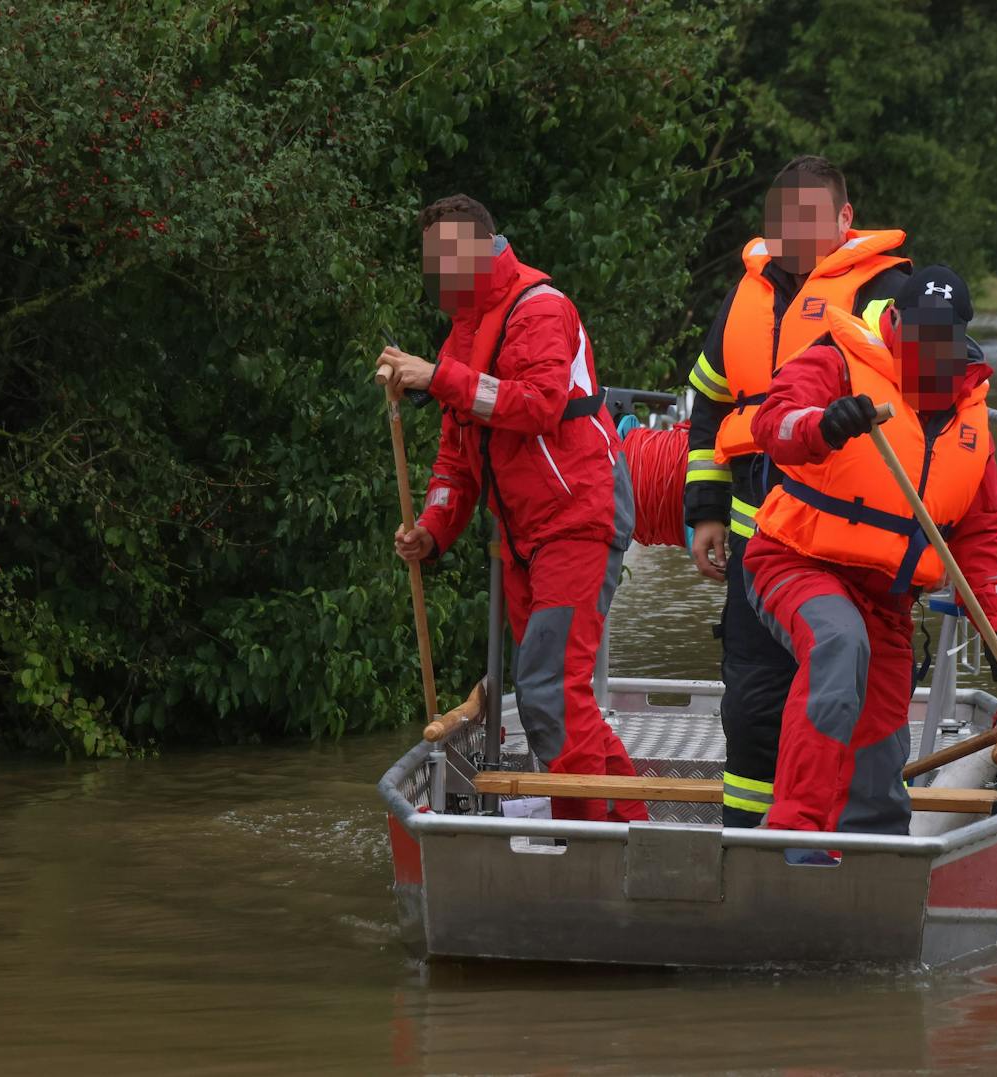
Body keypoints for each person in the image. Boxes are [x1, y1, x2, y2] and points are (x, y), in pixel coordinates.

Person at [743, 265, 997, 855]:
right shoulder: (838, 361)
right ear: (895, 322)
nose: (928, 351)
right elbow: (774, 421)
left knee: (880, 741)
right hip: (797, 561)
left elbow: (981, 545)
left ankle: (874, 856)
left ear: (960, 342)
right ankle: (795, 838)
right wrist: (825, 425)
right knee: (837, 644)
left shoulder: (968, 418)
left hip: (887, 599)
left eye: (942, 340)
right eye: (918, 334)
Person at [382, 194, 647, 824]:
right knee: (554, 694)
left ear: (484, 247)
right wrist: (431, 530)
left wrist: (437, 377)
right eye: (431, 262)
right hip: (527, 534)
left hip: (579, 514)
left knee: (551, 690)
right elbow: (454, 461)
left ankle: (586, 843)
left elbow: (539, 403)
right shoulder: (461, 336)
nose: (438, 274)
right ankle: (630, 824)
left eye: (449, 258)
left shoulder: (540, 307)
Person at [683, 155, 912, 827]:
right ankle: (749, 845)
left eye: (813, 217)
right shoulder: (746, 295)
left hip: (846, 548)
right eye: (784, 219)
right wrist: (705, 513)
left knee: (854, 698)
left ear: (845, 219)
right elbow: (708, 405)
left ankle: (851, 838)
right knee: (752, 703)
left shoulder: (886, 290)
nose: (797, 231)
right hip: (760, 542)